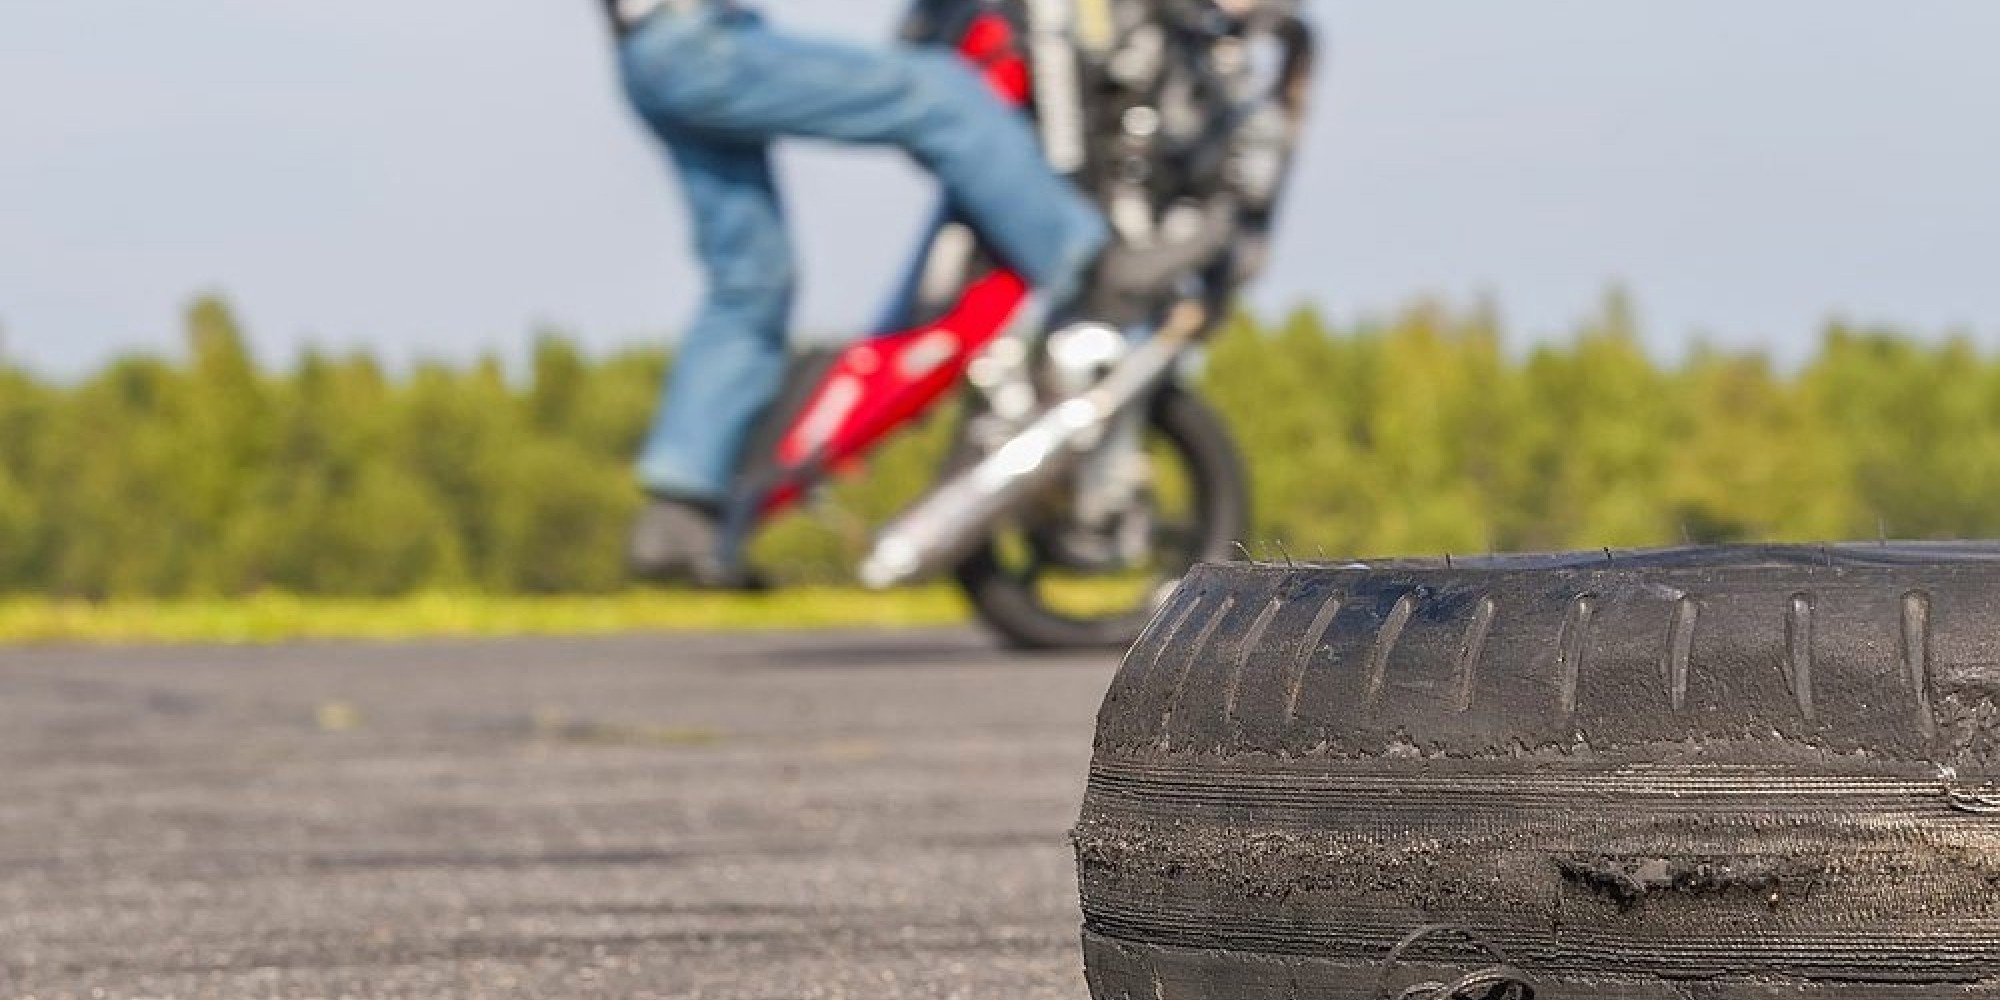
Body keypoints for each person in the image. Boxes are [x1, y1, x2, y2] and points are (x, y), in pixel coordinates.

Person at [605, 0, 1109, 586]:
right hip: (697, 43)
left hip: (651, 52)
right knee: (942, 94)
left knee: (752, 281)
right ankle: (1092, 268)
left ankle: (681, 512)